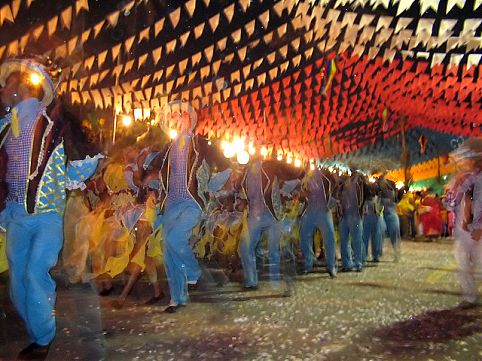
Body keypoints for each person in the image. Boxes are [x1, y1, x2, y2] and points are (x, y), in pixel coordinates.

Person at [0, 57, 101, 360]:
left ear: (19, 88)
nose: (2, 91)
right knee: (18, 279)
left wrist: (63, 183)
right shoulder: (6, 127)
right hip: (15, 214)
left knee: (34, 273)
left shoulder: (54, 124)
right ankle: (37, 333)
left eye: (6, 86)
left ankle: (43, 339)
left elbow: (83, 158)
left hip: (46, 215)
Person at [155, 100, 230, 312]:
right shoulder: (168, 149)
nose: (176, 118)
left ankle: (194, 272)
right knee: (168, 251)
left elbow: (225, 168)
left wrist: (209, 187)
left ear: (190, 120)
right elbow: (157, 175)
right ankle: (177, 298)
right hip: (171, 203)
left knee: (174, 239)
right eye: (173, 116)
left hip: (192, 202)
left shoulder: (201, 143)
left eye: (181, 115)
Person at [239, 156, 303, 289]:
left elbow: (291, 176)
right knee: (245, 247)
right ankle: (251, 281)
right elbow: (240, 189)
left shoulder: (270, 166)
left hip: (273, 215)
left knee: (276, 250)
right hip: (254, 216)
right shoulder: (246, 172)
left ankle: (279, 281)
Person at [444, 138, 482, 309]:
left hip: (477, 230)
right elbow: (450, 203)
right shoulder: (462, 179)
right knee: (463, 263)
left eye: (464, 157)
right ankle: (470, 297)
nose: (460, 162)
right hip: (464, 230)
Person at [299, 167, 338, 278]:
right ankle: (309, 263)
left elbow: (335, 184)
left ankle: (331, 267)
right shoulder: (306, 175)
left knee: (329, 238)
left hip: (323, 211)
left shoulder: (325, 173)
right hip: (310, 210)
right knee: (303, 236)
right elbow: (303, 191)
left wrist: (332, 202)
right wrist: (304, 194)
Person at [338, 169, 369, 272]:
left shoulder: (360, 181)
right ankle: (347, 264)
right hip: (344, 215)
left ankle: (358, 263)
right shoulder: (344, 182)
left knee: (356, 240)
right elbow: (339, 196)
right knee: (344, 240)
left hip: (355, 215)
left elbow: (366, 194)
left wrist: (361, 210)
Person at [378, 174, 402, 262]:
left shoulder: (390, 188)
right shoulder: (380, 187)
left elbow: (396, 200)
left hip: (391, 214)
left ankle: (396, 253)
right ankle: (379, 253)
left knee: (394, 234)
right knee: (381, 232)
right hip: (385, 214)